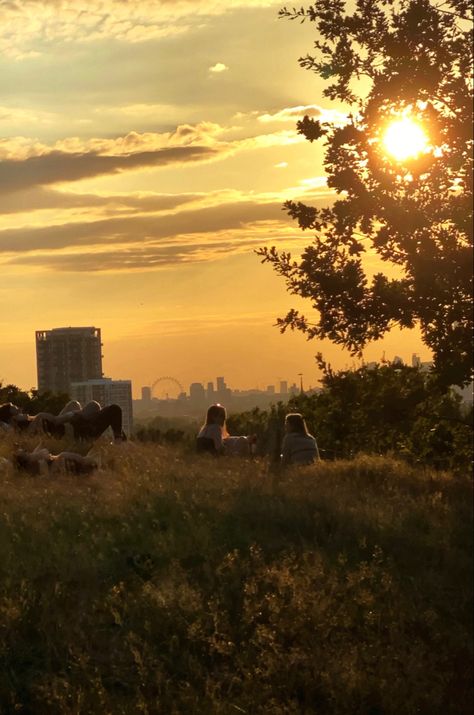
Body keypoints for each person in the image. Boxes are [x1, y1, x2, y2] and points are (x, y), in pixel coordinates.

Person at [0, 400, 126, 443]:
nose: (17, 407)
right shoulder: (28, 426)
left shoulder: (31, 422)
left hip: (72, 424)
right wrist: (72, 415)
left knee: (75, 404)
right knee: (108, 408)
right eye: (13, 406)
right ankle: (119, 439)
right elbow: (55, 422)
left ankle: (118, 437)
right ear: (12, 418)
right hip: (77, 430)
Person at [13, 445, 99, 476]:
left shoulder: (31, 461)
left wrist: (40, 445)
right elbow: (48, 473)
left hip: (57, 464)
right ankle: (92, 461)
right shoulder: (31, 466)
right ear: (23, 458)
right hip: (58, 466)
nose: (26, 451)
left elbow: (39, 454)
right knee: (64, 455)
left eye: (25, 450)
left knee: (66, 455)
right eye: (24, 452)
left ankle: (92, 460)